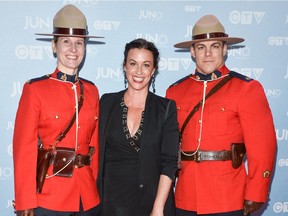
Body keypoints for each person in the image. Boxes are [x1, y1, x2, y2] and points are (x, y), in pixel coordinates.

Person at [166, 14, 277, 216]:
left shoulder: (246, 89)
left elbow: (263, 147)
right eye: (201, 47)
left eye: (214, 46)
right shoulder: (175, 92)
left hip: (228, 198)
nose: (208, 53)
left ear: (225, 49)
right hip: (185, 197)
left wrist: (256, 192)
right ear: (192, 51)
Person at [13, 4, 103, 216]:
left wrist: (93, 187)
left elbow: (94, 147)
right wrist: (26, 202)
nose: (73, 49)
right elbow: (23, 151)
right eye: (66, 42)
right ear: (54, 46)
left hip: (86, 197)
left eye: (79, 43)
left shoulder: (91, 91)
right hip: (50, 197)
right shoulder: (35, 90)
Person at [97, 38, 179, 216]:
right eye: (133, 63)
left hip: (150, 201)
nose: (139, 71)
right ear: (124, 66)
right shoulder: (106, 103)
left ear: (153, 70)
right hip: (110, 203)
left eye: (146, 65)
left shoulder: (165, 108)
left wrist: (158, 208)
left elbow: (169, 163)